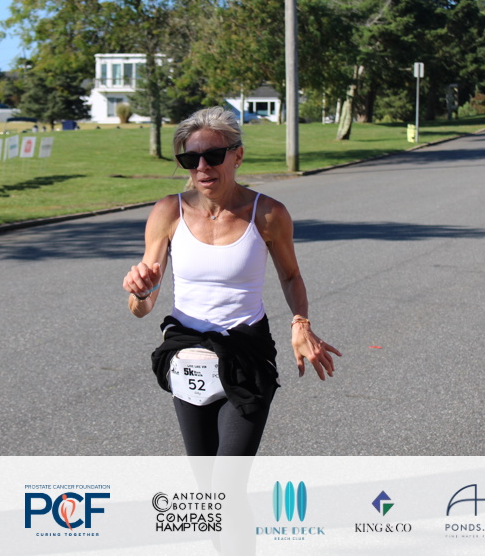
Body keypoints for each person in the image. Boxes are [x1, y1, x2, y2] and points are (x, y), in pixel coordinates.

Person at [122, 107, 341, 456]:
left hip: (246, 353)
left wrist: (301, 322)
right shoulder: (168, 212)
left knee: (229, 477)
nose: (202, 167)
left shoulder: (268, 213)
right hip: (188, 355)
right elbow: (141, 307)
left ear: (237, 156)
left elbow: (291, 276)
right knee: (205, 476)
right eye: (191, 159)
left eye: (213, 156)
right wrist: (141, 291)